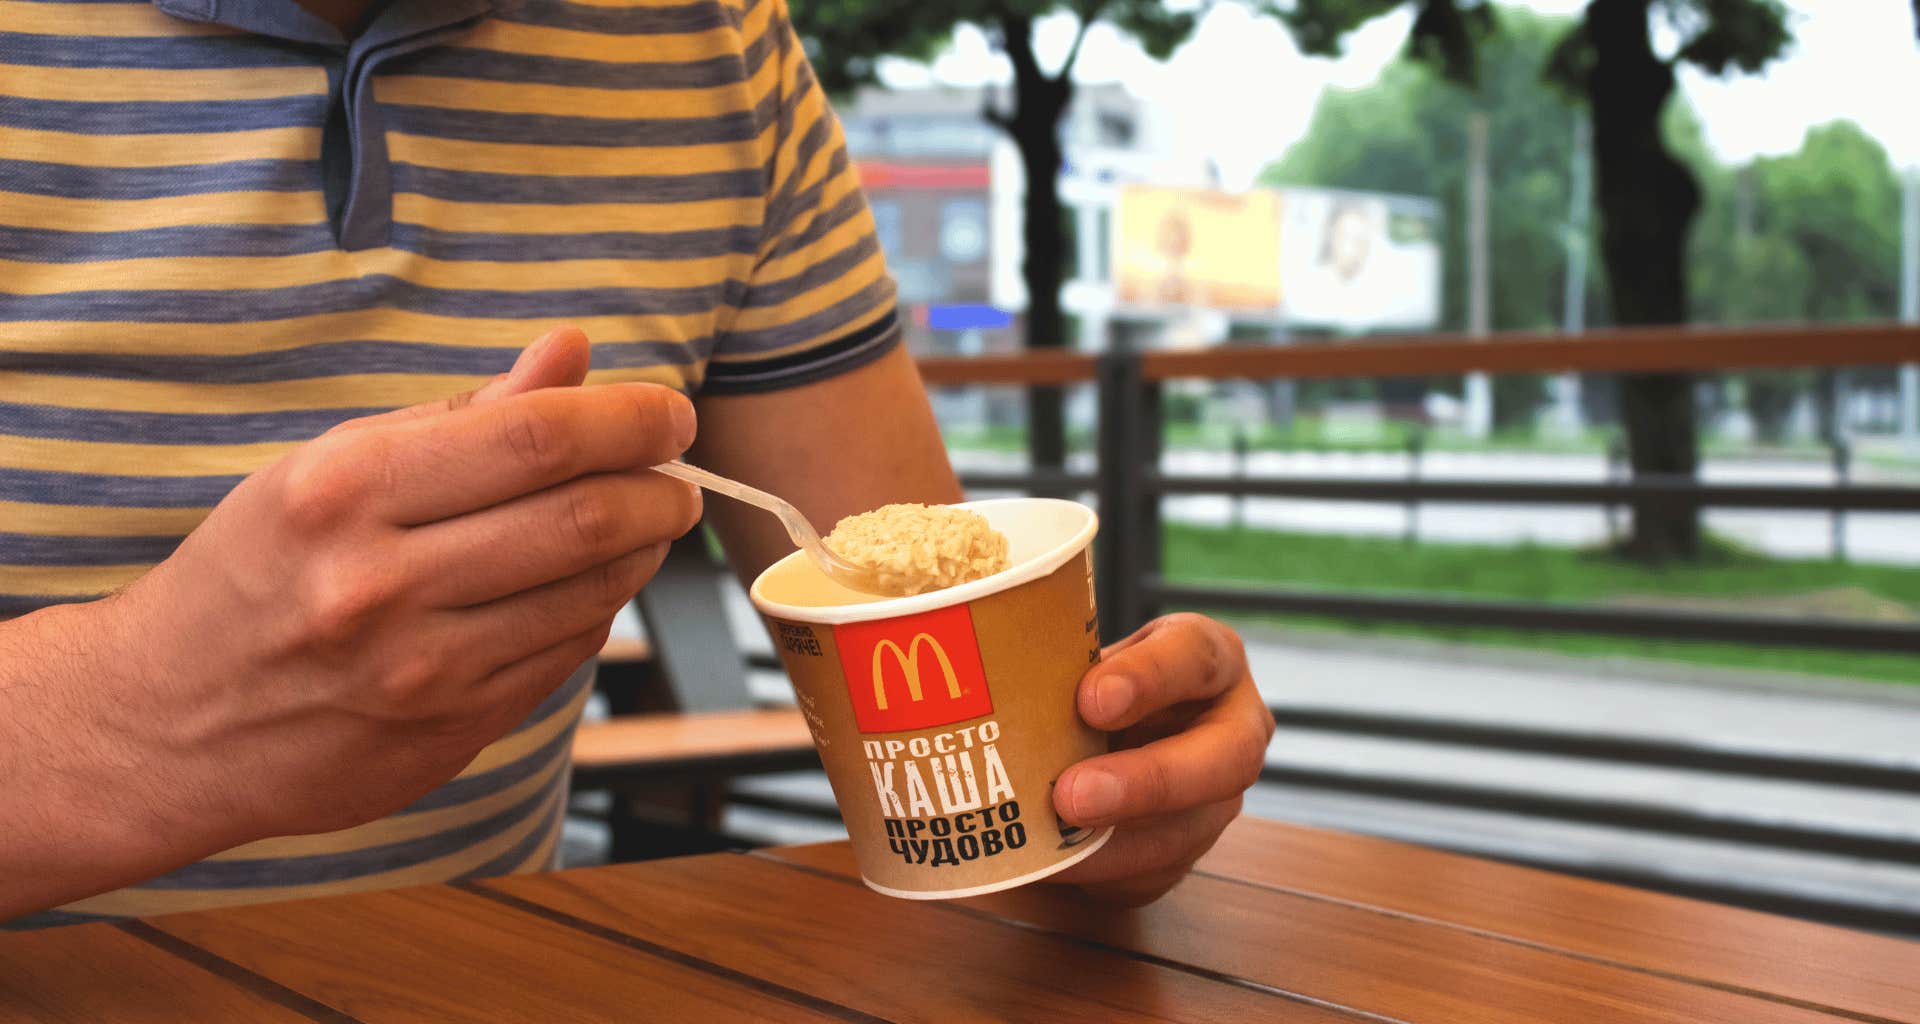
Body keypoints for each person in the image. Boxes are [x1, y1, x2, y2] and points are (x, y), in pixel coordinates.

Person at [0, 0, 1273, 925]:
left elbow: (926, 669)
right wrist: (129, 716)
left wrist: (1085, 798)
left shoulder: (709, 43)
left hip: (476, 1013)